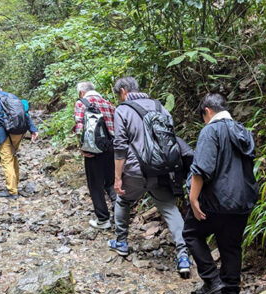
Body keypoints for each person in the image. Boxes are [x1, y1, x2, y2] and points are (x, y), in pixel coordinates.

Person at [109, 76, 192, 278]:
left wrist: (118, 177)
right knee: (170, 209)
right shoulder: (159, 106)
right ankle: (183, 257)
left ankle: (121, 242)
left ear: (123, 92)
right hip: (164, 169)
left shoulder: (123, 109)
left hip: (136, 171)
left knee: (123, 199)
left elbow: (120, 146)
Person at [183, 93, 258, 294]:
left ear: (207, 111)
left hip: (215, 200)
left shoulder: (211, 131)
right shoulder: (244, 131)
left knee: (191, 233)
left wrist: (193, 198)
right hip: (242, 201)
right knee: (231, 246)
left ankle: (212, 279)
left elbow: (201, 169)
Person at [74, 81, 116, 229]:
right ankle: (120, 216)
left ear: (81, 92)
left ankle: (103, 220)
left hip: (93, 150)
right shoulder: (108, 103)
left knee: (95, 185)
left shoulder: (82, 102)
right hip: (111, 148)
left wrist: (83, 148)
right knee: (111, 182)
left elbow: (80, 126)